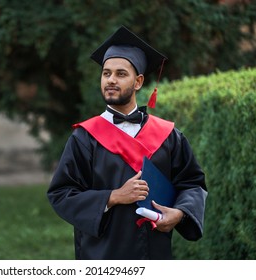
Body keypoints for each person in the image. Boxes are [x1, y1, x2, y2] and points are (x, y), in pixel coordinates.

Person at [47, 26, 208, 260]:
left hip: (155, 253)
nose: (111, 80)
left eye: (121, 74)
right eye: (106, 73)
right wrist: (113, 196)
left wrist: (181, 213)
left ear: (138, 82)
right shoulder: (85, 137)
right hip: (102, 254)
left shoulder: (169, 136)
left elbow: (192, 183)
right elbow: (61, 193)